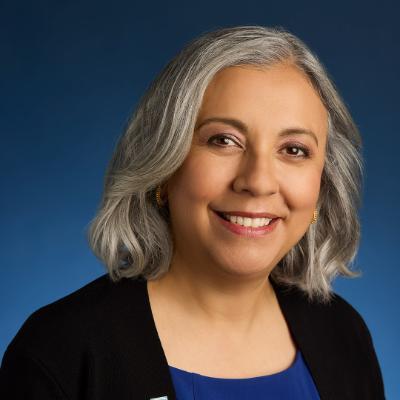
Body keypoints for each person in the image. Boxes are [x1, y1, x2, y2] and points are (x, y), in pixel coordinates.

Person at [0, 26, 385, 399]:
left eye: (294, 149)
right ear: (163, 168)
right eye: (223, 140)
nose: (258, 181)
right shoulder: (60, 352)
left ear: (322, 185)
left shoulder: (343, 333)